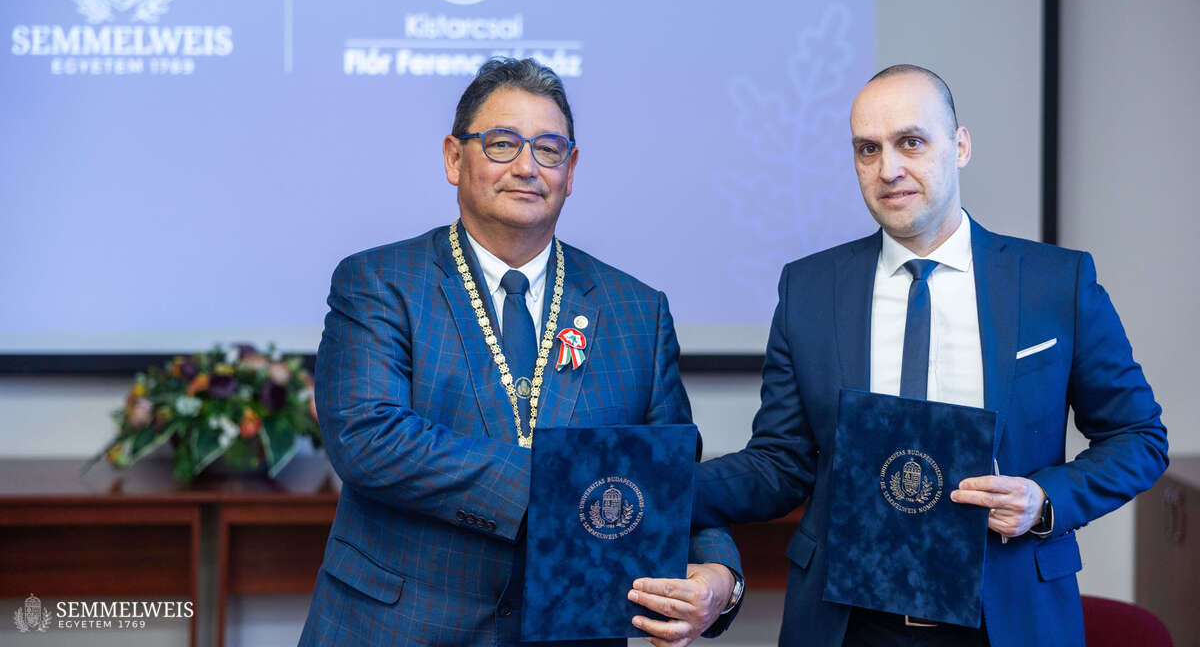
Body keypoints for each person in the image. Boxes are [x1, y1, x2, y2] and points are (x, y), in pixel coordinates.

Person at [685, 65, 1168, 646]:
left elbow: (1139, 437)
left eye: (910, 142)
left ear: (960, 146)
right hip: (848, 623)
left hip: (1004, 619)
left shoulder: (1054, 283)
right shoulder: (810, 289)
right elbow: (780, 465)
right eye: (868, 149)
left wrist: (1045, 501)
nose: (888, 169)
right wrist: (655, 484)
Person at [299, 57, 742, 647]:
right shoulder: (381, 282)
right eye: (503, 144)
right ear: (454, 158)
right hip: (399, 627)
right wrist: (562, 485)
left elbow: (669, 471)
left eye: (549, 149)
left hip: (570, 630)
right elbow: (370, 439)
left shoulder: (637, 311)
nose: (528, 167)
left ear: (571, 169)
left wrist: (721, 575)